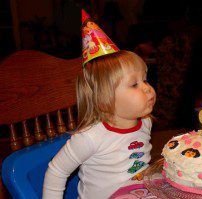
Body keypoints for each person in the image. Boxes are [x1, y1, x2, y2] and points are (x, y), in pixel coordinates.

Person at [43, 10, 156, 199]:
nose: (147, 88)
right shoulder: (90, 137)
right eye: (134, 84)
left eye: (145, 80)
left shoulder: (146, 122)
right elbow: (56, 172)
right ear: (105, 98)